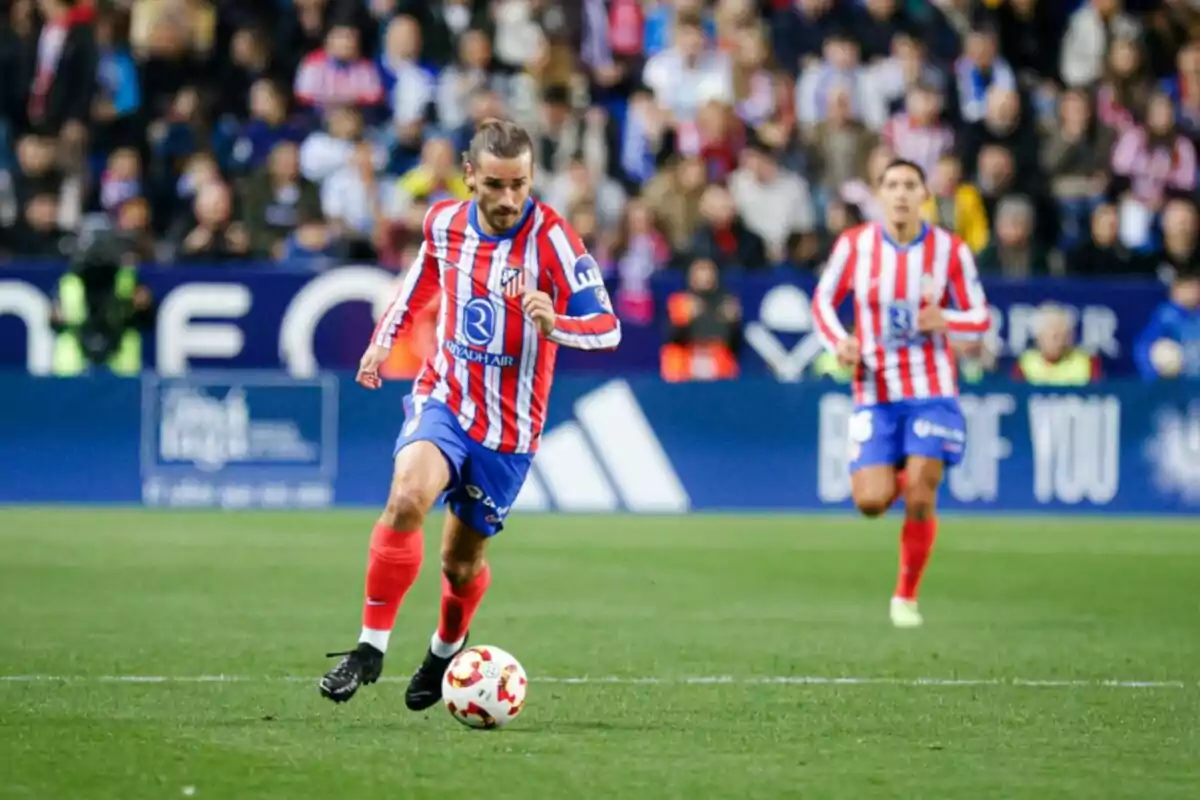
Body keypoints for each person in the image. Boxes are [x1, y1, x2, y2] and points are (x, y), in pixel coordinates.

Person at [319, 120, 622, 706]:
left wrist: (556, 322)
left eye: (521, 185)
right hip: (446, 397)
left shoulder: (555, 240)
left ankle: (443, 653)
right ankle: (369, 649)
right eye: (496, 185)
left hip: (509, 429)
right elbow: (420, 280)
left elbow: (607, 327)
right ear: (469, 178)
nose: (510, 199)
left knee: (460, 564)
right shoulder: (444, 222)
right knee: (407, 496)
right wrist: (386, 339)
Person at [812, 158, 990, 629]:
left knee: (919, 489)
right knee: (870, 502)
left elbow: (980, 315)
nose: (901, 193)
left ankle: (905, 596)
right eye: (892, 185)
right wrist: (840, 343)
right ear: (879, 194)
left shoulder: (949, 251)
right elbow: (822, 303)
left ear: (924, 195)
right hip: (874, 388)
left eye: (911, 185)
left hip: (933, 388)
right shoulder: (855, 246)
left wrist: (946, 320)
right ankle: (895, 458)